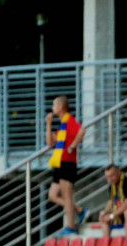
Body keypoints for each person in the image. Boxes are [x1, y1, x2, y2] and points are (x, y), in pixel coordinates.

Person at [45, 96, 88, 235]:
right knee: (52, 195)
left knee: (67, 195)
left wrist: (73, 146)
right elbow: (50, 143)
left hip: (67, 162)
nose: (52, 108)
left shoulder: (69, 120)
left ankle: (71, 227)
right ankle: (80, 210)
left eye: (54, 105)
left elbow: (82, 130)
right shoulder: (62, 124)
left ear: (61, 106)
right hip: (59, 162)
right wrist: (48, 124)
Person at [98, 164, 127, 238]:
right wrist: (104, 212)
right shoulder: (112, 185)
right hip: (121, 212)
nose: (110, 179)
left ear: (119, 172)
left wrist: (111, 216)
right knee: (103, 219)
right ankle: (106, 245)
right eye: (107, 177)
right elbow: (111, 202)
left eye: (112, 175)